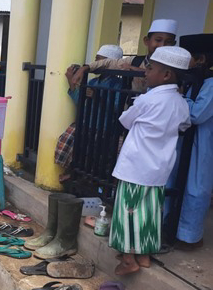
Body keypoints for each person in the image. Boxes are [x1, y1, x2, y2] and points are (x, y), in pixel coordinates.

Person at [109, 46, 191, 275]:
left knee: (127, 211)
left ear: (166, 75)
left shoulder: (147, 100)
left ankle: (128, 259)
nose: (145, 71)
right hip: (159, 169)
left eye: (150, 68)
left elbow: (125, 121)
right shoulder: (181, 103)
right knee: (150, 213)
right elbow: (184, 125)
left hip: (135, 167)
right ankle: (143, 256)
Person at [167, 33, 213, 249]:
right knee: (173, 181)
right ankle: (167, 226)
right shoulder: (192, 80)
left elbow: (197, 114)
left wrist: (179, 97)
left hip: (202, 142)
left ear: (201, 59)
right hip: (183, 140)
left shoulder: (211, 84)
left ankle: (188, 236)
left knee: (196, 187)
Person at [55, 44, 124, 178]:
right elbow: (80, 103)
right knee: (81, 153)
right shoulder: (93, 81)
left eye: (99, 60)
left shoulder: (119, 84)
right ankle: (77, 176)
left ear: (108, 63)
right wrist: (71, 81)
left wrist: (98, 96)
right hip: (88, 125)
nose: (95, 64)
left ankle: (87, 181)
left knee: (97, 159)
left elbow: (118, 108)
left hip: (105, 129)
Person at [73, 19, 178, 93]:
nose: (162, 45)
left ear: (173, 44)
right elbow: (110, 62)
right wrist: (86, 67)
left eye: (168, 42)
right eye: (158, 40)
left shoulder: (175, 66)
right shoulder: (135, 60)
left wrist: (136, 70)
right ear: (147, 41)